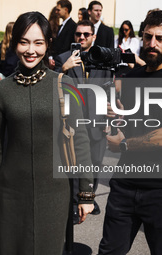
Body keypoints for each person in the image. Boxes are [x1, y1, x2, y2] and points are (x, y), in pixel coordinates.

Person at [0, 11, 94, 255]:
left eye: (38, 43)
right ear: (14, 42)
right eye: (24, 42)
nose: (31, 50)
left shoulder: (65, 84)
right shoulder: (2, 90)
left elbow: (80, 139)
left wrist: (86, 193)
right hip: (11, 194)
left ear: (48, 44)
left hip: (54, 192)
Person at [98, 10, 162, 254]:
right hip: (124, 186)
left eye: (160, 38)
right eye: (148, 36)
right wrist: (112, 119)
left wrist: (123, 145)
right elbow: (123, 122)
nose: (152, 44)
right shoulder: (132, 78)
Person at [55, 19, 111, 221]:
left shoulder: (103, 58)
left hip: (97, 121)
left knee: (95, 163)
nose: (82, 37)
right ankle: (72, 201)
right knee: (73, 162)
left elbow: (109, 88)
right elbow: (51, 85)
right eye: (79, 34)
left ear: (93, 37)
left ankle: (89, 197)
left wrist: (109, 120)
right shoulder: (62, 58)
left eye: (87, 34)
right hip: (72, 122)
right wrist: (63, 68)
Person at [50, 0, 77, 68]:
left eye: (58, 10)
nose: (56, 12)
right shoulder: (61, 26)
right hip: (57, 61)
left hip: (64, 62)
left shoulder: (73, 26)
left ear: (66, 10)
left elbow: (67, 46)